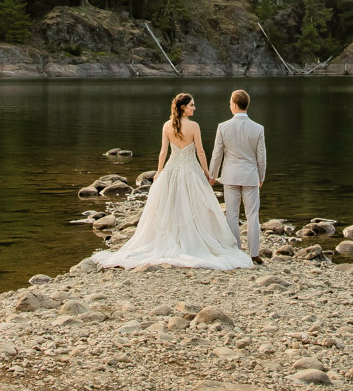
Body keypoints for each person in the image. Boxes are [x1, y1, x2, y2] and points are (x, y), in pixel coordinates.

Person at [88, 92, 251, 270]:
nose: (194, 108)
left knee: (171, 205)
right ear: (183, 107)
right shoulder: (194, 126)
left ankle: (175, 237)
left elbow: (163, 152)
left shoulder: (167, 125)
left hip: (172, 169)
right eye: (192, 105)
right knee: (194, 205)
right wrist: (207, 172)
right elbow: (201, 152)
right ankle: (192, 238)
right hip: (190, 170)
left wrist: (159, 171)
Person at [210, 89, 266, 260]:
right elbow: (261, 157)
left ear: (234, 105)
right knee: (252, 216)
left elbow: (217, 154)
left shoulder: (223, 127)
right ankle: (254, 254)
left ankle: (236, 252)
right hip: (250, 176)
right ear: (246, 105)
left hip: (230, 176)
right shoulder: (258, 128)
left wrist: (212, 174)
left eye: (230, 103)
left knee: (232, 216)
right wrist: (261, 177)